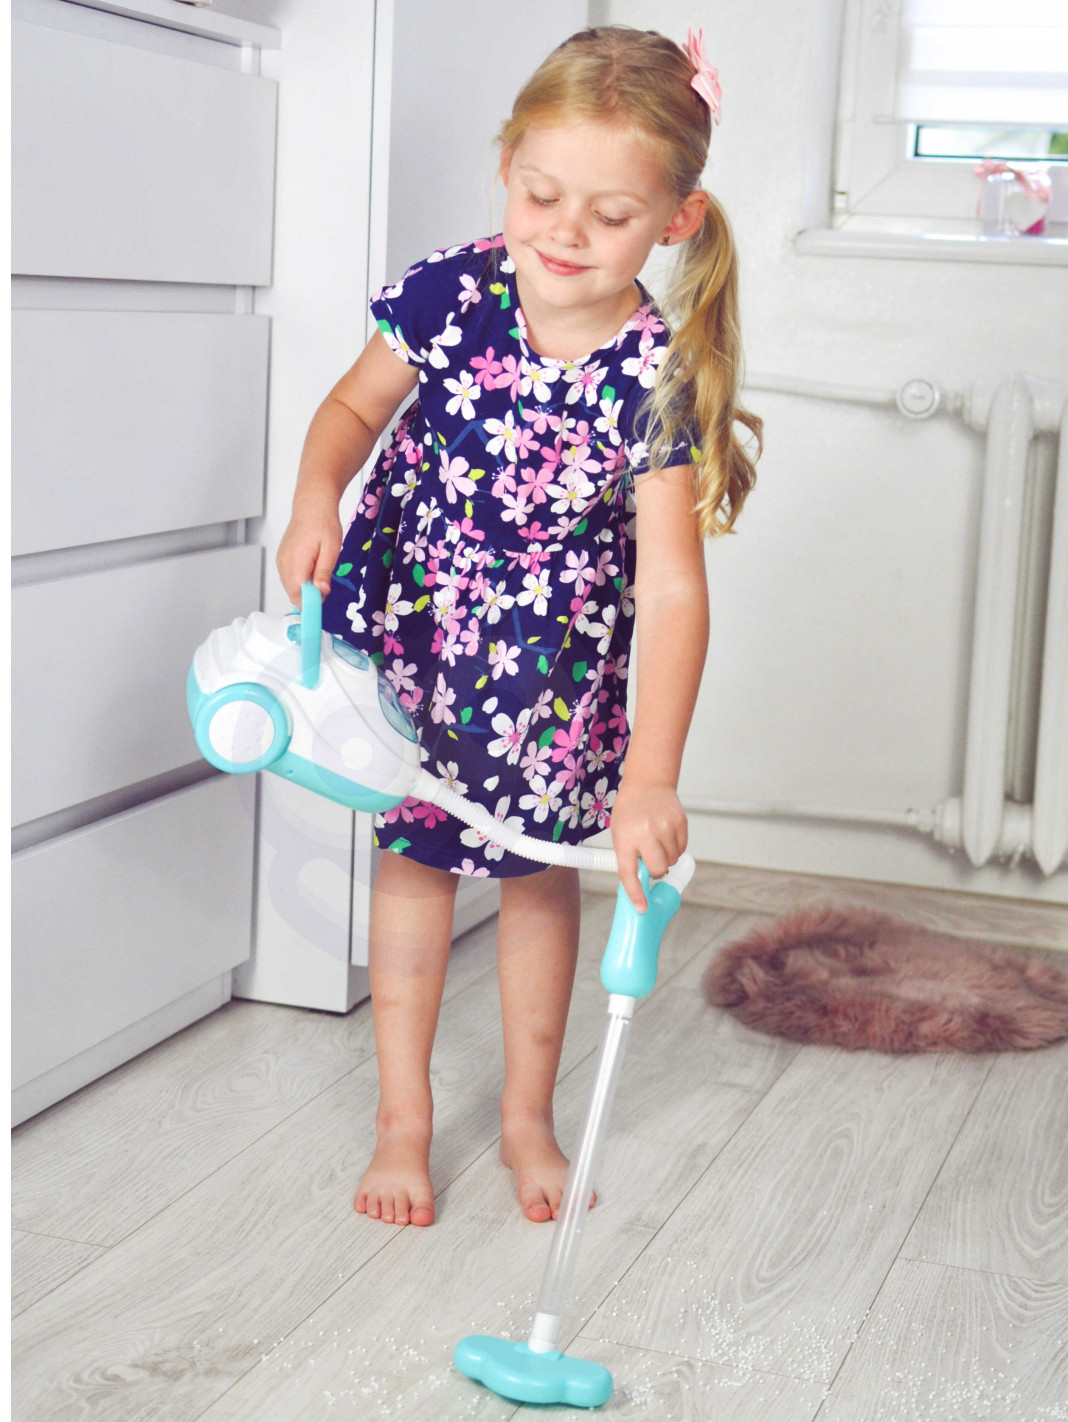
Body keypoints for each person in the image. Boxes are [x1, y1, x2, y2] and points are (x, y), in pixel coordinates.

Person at [275, 25, 761, 1229]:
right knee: (416, 858)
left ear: (674, 221)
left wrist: (651, 777)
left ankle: (525, 1119)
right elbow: (351, 408)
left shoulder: (653, 375)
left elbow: (674, 588)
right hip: (418, 632)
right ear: (506, 167)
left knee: (536, 875)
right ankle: (402, 1120)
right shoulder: (452, 292)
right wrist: (315, 495)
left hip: (546, 676)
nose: (564, 232)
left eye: (609, 214)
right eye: (540, 195)